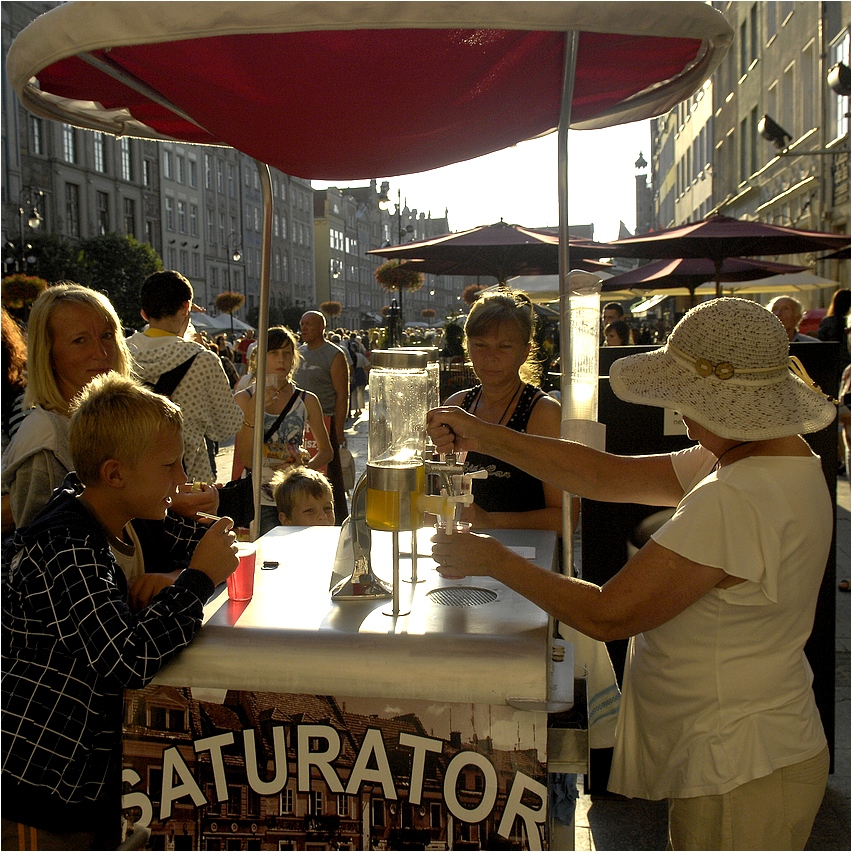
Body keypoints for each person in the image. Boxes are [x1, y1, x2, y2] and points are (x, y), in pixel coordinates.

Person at [427, 297, 836, 851]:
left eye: (687, 401)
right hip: (752, 749)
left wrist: (495, 559)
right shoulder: (771, 457)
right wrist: (485, 435)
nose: (684, 418)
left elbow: (608, 613)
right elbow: (605, 475)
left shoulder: (737, 496)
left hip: (741, 763)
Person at [1, 373, 238, 850]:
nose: (181, 478)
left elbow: (198, 548)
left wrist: (204, 549)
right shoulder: (68, 545)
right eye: (170, 466)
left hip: (84, 778)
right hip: (40, 786)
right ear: (114, 474)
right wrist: (195, 580)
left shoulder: (120, 515)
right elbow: (125, 657)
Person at [444, 290, 563, 532]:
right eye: (480, 345)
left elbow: (564, 518)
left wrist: (489, 522)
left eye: (504, 346)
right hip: (465, 556)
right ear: (468, 348)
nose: (491, 357)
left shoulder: (542, 413)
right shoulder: (457, 406)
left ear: (525, 352)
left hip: (525, 558)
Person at [127, 271, 243, 484]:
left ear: (144, 314)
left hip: (133, 479)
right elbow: (225, 427)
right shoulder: (202, 359)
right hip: (187, 479)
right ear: (186, 308)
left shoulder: (122, 353)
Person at [234, 326, 333, 535]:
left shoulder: (307, 400)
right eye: (274, 353)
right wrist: (253, 414)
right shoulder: (245, 399)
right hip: (258, 496)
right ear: (260, 358)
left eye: (287, 353)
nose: (281, 360)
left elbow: (326, 451)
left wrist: (302, 472)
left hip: (297, 498)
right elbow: (246, 458)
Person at [293, 310, 350, 524]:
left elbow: (342, 393)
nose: (304, 328)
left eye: (309, 324)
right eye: (302, 323)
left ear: (322, 328)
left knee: (330, 475)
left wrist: (339, 427)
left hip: (326, 421)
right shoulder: (298, 352)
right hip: (300, 423)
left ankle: (334, 518)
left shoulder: (333, 354)